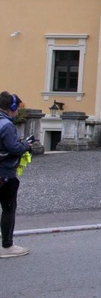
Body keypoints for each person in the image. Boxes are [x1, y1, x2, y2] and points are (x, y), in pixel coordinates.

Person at [0, 92, 32, 258]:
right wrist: (26, 145)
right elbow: (14, 148)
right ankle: (7, 246)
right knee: (8, 208)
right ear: (11, 108)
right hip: (4, 174)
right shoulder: (7, 126)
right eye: (17, 108)